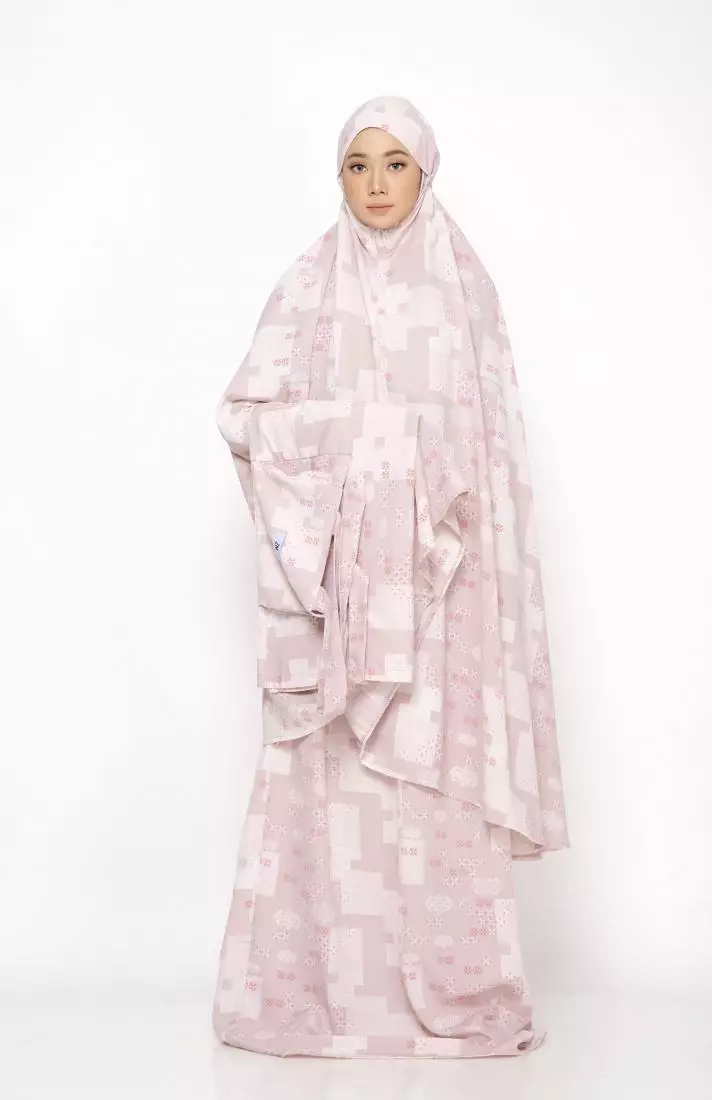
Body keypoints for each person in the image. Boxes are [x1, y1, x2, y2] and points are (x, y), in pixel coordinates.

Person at [211, 95, 570, 1059]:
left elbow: (491, 455)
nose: (376, 183)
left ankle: (451, 982)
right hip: (343, 592)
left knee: (434, 771)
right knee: (336, 780)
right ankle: (328, 992)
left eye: (395, 163)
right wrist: (366, 439)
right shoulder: (308, 284)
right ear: (339, 178)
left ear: (426, 173)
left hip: (444, 588)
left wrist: (425, 484)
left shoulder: (465, 292)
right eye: (358, 165)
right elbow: (243, 414)